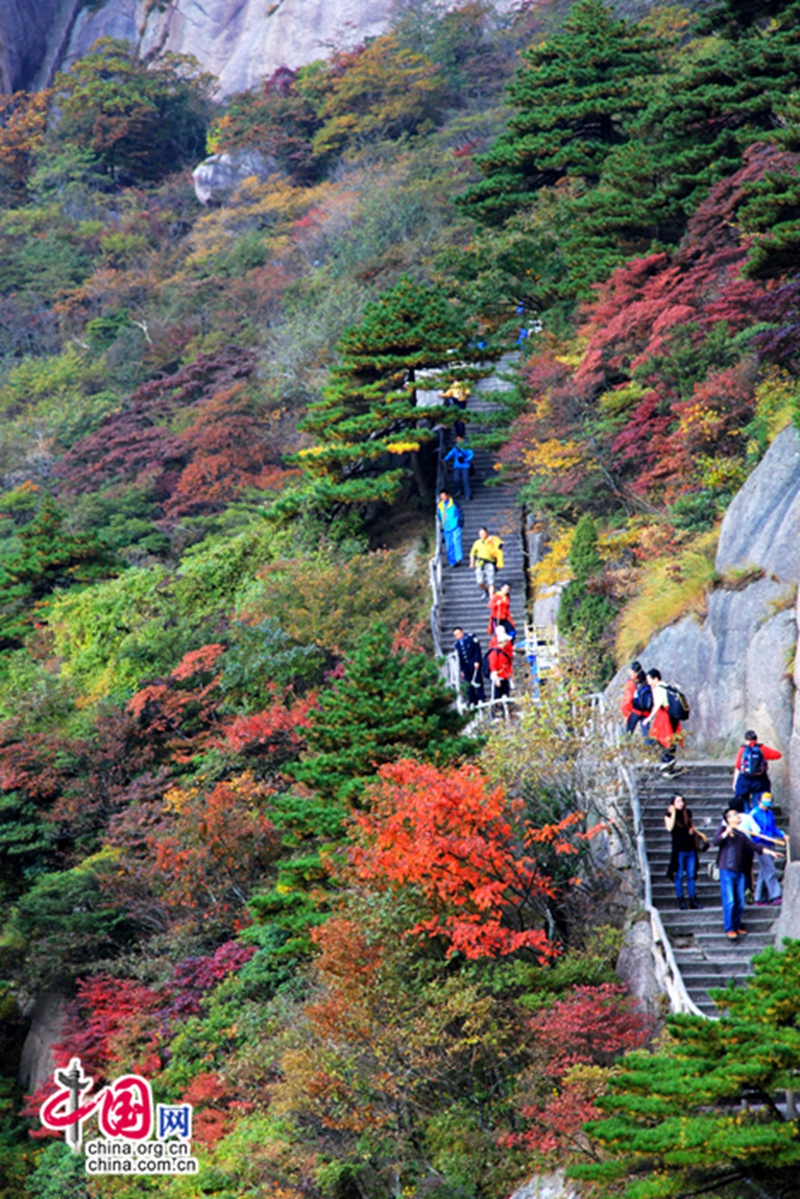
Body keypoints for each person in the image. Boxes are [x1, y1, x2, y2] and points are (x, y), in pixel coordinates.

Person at [712, 808, 755, 940]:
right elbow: (715, 841)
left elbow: (752, 845)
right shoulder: (723, 829)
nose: (738, 816)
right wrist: (726, 832)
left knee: (740, 901)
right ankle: (729, 927)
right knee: (729, 900)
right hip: (726, 869)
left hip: (739, 869)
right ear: (729, 819)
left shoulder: (740, 834)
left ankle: (737, 925)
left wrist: (768, 851)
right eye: (735, 815)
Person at [740, 792, 787, 905]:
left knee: (764, 871)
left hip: (771, 843)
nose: (766, 806)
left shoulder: (770, 813)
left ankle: (760, 898)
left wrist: (782, 834)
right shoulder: (754, 813)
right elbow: (751, 830)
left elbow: (773, 828)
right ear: (758, 801)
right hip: (759, 845)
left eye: (768, 803)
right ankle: (775, 895)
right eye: (764, 803)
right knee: (770, 869)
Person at [664, 794, 706, 910]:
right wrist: (673, 813)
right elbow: (670, 828)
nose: (681, 803)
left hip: (690, 848)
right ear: (672, 804)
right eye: (678, 801)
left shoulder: (687, 813)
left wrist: (696, 833)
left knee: (691, 875)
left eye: (682, 801)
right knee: (679, 876)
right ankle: (681, 900)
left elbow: (691, 825)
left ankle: (693, 899)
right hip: (678, 849)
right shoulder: (668, 815)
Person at [645, 668, 683, 774]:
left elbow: (657, 704)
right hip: (673, 716)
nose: (648, 682)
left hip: (664, 716)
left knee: (657, 737)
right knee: (671, 739)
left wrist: (649, 718)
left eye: (649, 679)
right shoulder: (667, 686)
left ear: (655, 678)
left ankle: (667, 760)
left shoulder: (658, 689)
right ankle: (670, 763)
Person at [732, 730, 781, 812]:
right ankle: (755, 818)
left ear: (746, 740)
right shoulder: (762, 749)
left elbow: (738, 766)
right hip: (759, 780)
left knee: (745, 803)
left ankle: (747, 816)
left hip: (744, 780)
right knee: (756, 803)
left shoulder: (742, 750)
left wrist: (734, 782)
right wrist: (765, 759)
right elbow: (778, 755)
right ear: (756, 739)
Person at [453, 627, 485, 707]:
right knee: (468, 685)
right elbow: (459, 658)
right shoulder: (456, 645)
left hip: (473, 663)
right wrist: (461, 670)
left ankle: (481, 699)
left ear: (462, 632)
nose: (458, 636)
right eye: (456, 635)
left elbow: (477, 650)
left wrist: (477, 661)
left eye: (459, 633)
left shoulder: (471, 638)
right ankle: (472, 701)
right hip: (465, 667)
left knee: (477, 682)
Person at [469, 527, 504, 596]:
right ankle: (486, 591)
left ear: (487, 533)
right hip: (480, 564)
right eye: (481, 534)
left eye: (484, 533)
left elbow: (500, 547)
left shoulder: (492, 539)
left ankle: (491, 597)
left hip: (490, 563)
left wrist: (493, 542)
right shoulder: (477, 542)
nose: (482, 535)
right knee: (480, 581)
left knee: (491, 581)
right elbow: (472, 553)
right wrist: (472, 563)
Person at [487, 624, 514, 708]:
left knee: (505, 695)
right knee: (496, 697)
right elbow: (493, 666)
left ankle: (505, 712)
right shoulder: (494, 652)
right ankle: (496, 715)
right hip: (498, 677)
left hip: (505, 676)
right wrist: (496, 678)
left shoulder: (504, 651)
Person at [621, 661, 651, 734]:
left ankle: (627, 745)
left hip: (635, 711)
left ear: (633, 672)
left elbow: (628, 699)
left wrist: (626, 714)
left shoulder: (632, 682)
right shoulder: (647, 679)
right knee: (646, 736)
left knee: (627, 735)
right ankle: (649, 744)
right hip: (646, 711)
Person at [437, 490, 463, 568]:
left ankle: (458, 558)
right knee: (449, 545)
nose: (443, 498)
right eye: (441, 496)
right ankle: (452, 562)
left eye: (444, 496)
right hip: (446, 527)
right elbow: (439, 517)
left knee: (456, 541)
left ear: (448, 495)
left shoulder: (454, 503)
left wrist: (460, 523)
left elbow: (460, 513)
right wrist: (441, 527)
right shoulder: (440, 506)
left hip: (455, 525)